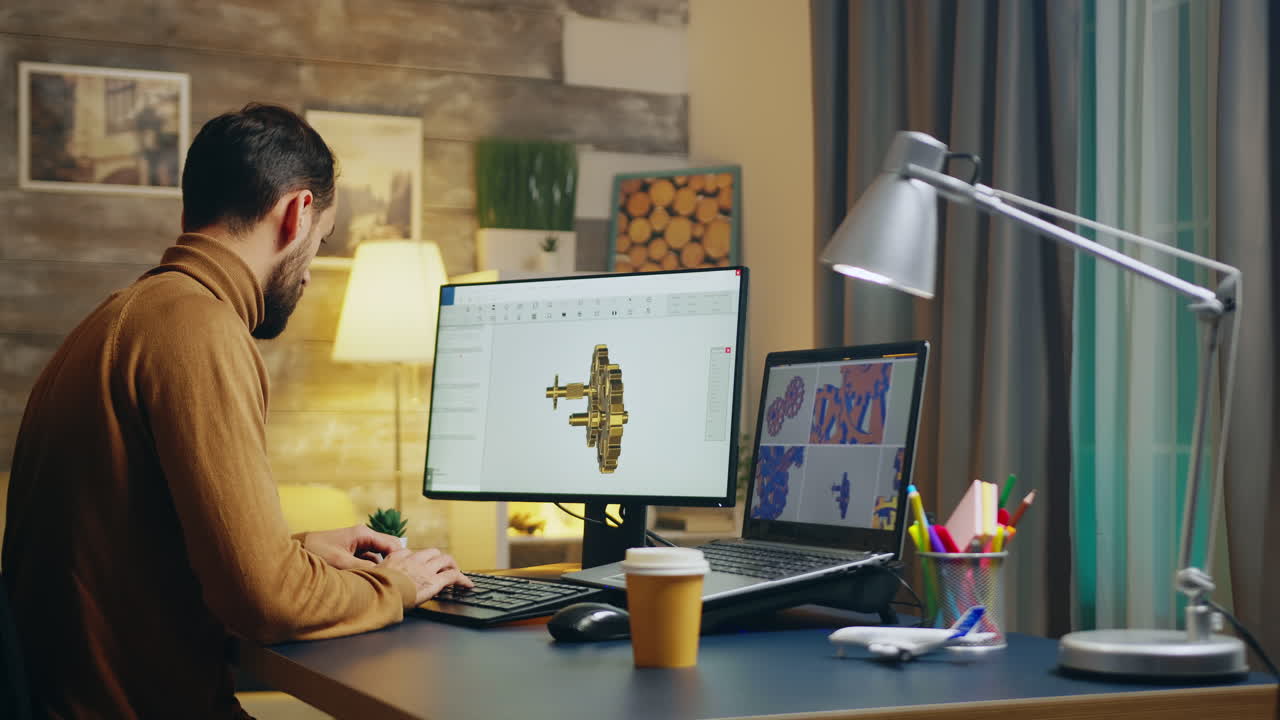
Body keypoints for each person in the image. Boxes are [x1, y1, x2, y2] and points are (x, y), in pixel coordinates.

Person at [1, 103, 472, 719]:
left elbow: (152, 554)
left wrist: (297, 550)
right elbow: (263, 603)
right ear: (297, 214)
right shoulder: (200, 329)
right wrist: (399, 584)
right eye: (321, 242)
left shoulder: (118, 317)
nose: (309, 278)